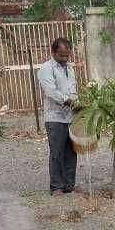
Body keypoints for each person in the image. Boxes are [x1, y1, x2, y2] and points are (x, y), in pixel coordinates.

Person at [37, 37, 80, 196]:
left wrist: (78, 104)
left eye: (67, 56)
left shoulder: (69, 68)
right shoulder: (46, 69)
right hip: (55, 117)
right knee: (57, 152)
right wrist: (69, 102)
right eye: (61, 55)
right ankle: (56, 187)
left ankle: (69, 184)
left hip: (70, 117)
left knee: (71, 151)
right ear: (53, 52)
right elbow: (51, 91)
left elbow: (72, 91)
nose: (64, 59)